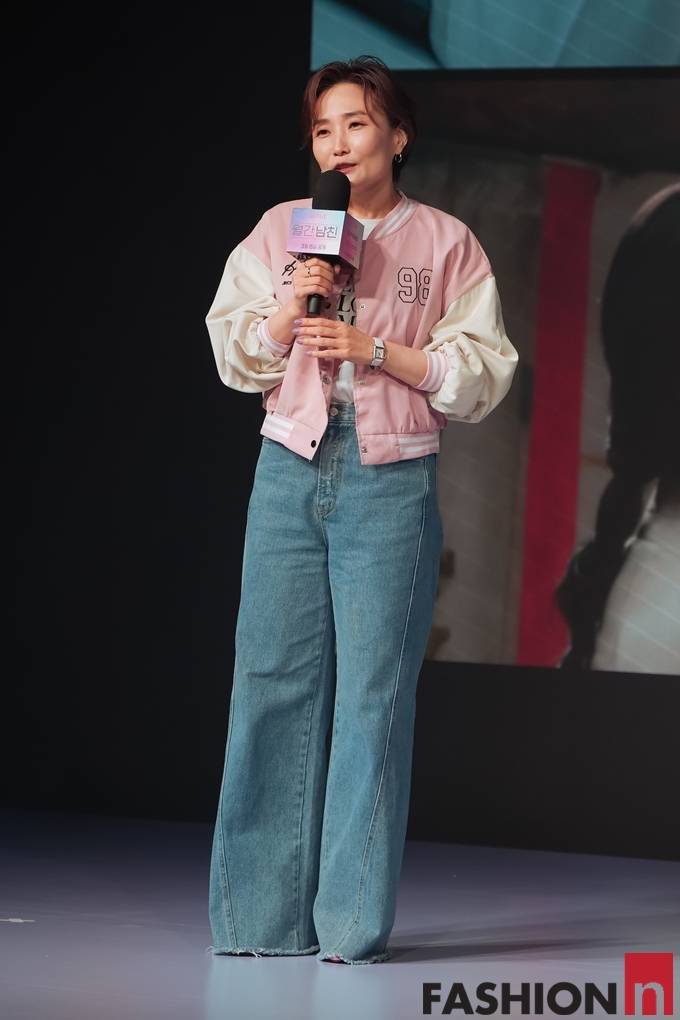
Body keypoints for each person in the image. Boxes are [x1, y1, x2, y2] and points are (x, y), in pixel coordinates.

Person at [205, 55, 518, 965]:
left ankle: (348, 927)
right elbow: (234, 352)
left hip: (391, 478)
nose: (338, 144)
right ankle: (262, 920)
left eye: (356, 123)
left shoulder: (448, 243)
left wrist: (375, 348)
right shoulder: (284, 229)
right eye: (322, 129)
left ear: (398, 135)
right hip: (288, 466)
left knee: (372, 698)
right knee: (269, 681)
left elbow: (482, 374)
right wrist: (289, 306)